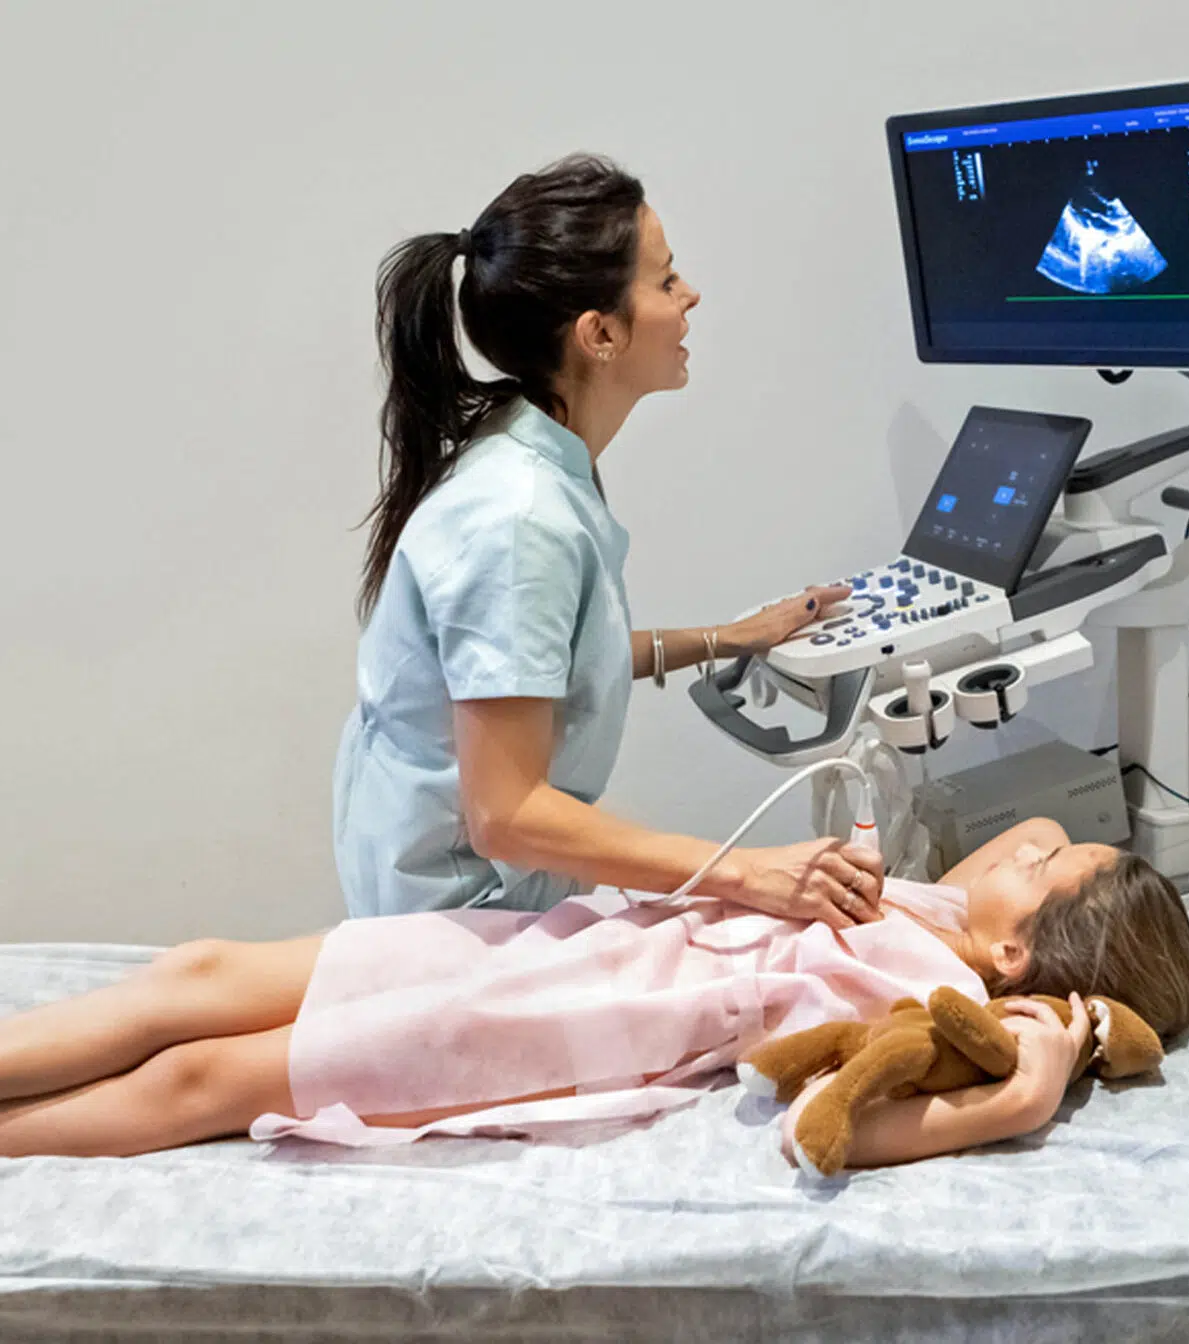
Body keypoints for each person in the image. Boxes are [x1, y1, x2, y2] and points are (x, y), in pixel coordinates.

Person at [0, 820, 1189, 1189]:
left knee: (200, 1083)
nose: (1031, 834)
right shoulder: (928, 913)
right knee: (192, 977)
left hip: (559, 1023)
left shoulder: (951, 989)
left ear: (1025, 959)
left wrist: (1027, 1085)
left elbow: (840, 1121)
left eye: (1050, 861)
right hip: (540, 946)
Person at [340, 152, 881, 926]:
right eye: (666, 280)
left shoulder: (533, 451)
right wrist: (745, 871)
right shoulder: (518, 520)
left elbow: (538, 664)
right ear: (599, 334)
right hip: (466, 919)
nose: (691, 295)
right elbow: (507, 815)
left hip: (491, 892)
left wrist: (732, 638)